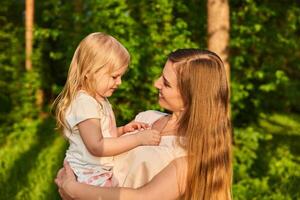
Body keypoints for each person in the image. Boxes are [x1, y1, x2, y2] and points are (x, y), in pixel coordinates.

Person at [55, 49, 232, 200]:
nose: (156, 84)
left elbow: (142, 198)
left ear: (191, 97)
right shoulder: (147, 119)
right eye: (161, 77)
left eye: (166, 83)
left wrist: (73, 188)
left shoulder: (193, 155)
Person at [53, 32, 161, 187]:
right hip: (88, 175)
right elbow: (97, 146)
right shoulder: (84, 103)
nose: (120, 82)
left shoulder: (99, 100)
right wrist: (138, 139)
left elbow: (102, 135)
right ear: (90, 72)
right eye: (114, 76)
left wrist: (122, 130)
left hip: (96, 172)